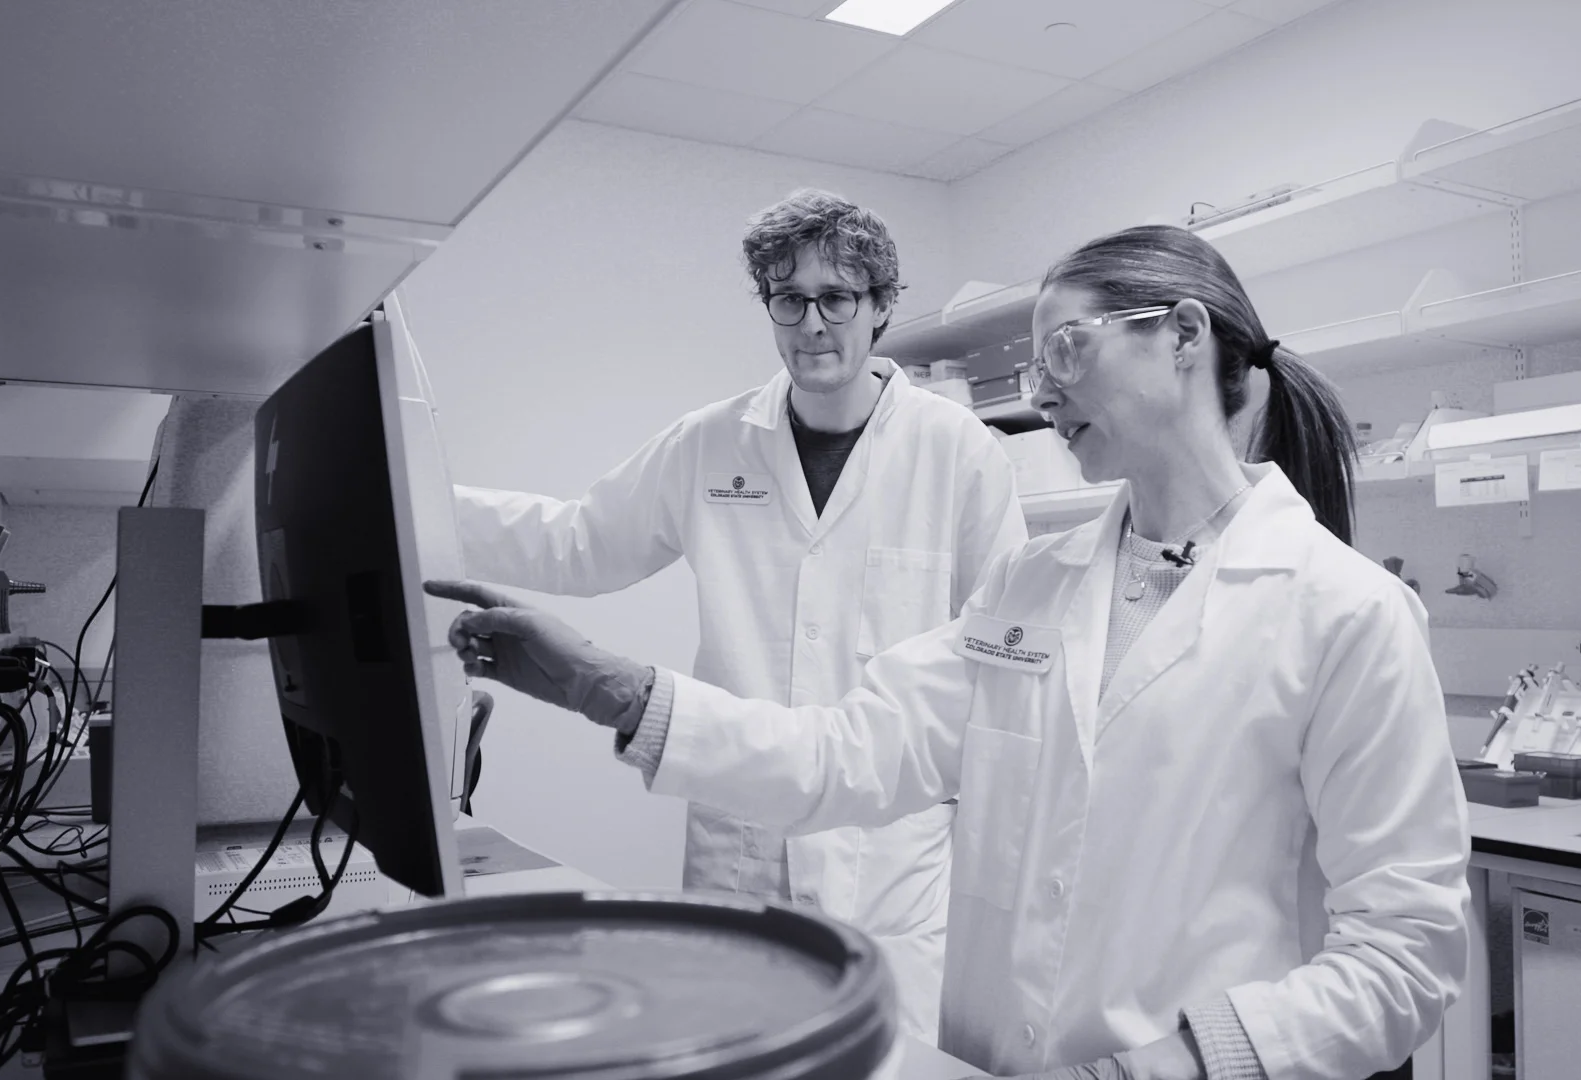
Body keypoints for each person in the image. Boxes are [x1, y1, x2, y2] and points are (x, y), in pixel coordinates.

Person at [429, 224, 1471, 1080]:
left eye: (1067, 350)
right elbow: (845, 753)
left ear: (1183, 335)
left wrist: (1167, 1066)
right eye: (1035, 363)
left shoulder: (1347, 612)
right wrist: (603, 687)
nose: (1042, 392)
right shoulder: (1032, 590)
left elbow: (1405, 957)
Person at [444, 188, 1028, 1045]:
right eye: (789, 299)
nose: (812, 324)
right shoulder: (709, 442)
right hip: (740, 838)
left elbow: (1002, 657)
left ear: (881, 306)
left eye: (837, 298)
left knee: (881, 1060)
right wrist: (416, 498)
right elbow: (577, 542)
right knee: (738, 1046)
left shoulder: (957, 449)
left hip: (886, 856)